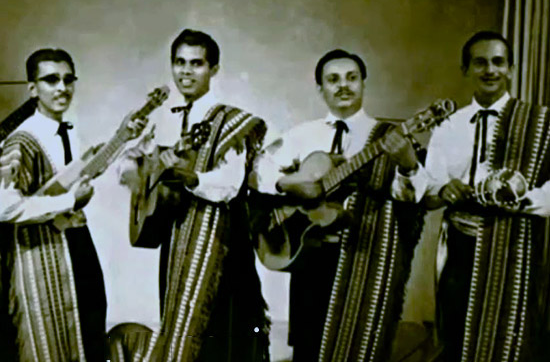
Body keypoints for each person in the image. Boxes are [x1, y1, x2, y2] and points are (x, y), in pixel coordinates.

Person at [252, 49, 425, 361]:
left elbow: (411, 197)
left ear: (363, 83)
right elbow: (260, 171)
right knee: (308, 350)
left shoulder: (388, 136)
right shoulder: (302, 134)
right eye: (333, 79)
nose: (343, 85)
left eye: (351, 78)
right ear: (321, 89)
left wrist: (408, 164)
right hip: (310, 257)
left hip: (366, 257)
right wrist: (288, 184)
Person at [390, 30, 550, 362]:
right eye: (480, 63)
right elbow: (429, 192)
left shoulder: (541, 123)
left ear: (510, 69)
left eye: (498, 62)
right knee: (456, 336)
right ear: (466, 70)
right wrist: (443, 189)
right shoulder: (449, 125)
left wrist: (515, 198)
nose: (490, 70)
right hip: (460, 246)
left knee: (510, 338)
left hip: (514, 245)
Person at [0, 48, 146, 361]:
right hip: (40, 253)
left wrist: (123, 138)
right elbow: (5, 209)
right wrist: (70, 200)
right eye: (51, 80)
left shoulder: (65, 131)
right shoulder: (20, 141)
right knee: (52, 339)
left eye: (68, 80)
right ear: (33, 89)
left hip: (76, 242)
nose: (62, 88)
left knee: (90, 326)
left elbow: (77, 175)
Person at [117, 29, 270, 361]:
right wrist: (138, 179)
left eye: (196, 64)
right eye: (179, 62)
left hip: (221, 241)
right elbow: (127, 163)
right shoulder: (162, 119)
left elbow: (230, 184)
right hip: (176, 239)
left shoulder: (230, 121)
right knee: (178, 325)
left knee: (222, 336)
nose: (186, 71)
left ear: (213, 69)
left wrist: (191, 178)